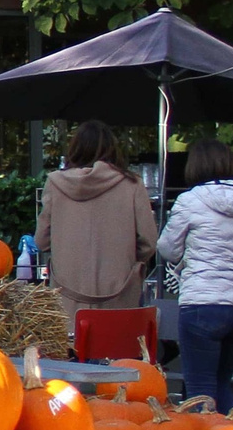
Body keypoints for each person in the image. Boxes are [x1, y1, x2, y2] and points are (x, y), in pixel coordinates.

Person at [159, 138, 233, 411]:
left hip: (203, 303)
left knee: (200, 390)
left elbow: (168, 249)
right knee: (221, 383)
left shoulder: (189, 201)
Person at [38, 121, 157, 327]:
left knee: (67, 355)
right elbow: (148, 242)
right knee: (117, 355)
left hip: (67, 298)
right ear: (112, 149)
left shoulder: (55, 184)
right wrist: (127, 264)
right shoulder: (132, 184)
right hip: (120, 298)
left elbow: (41, 241)